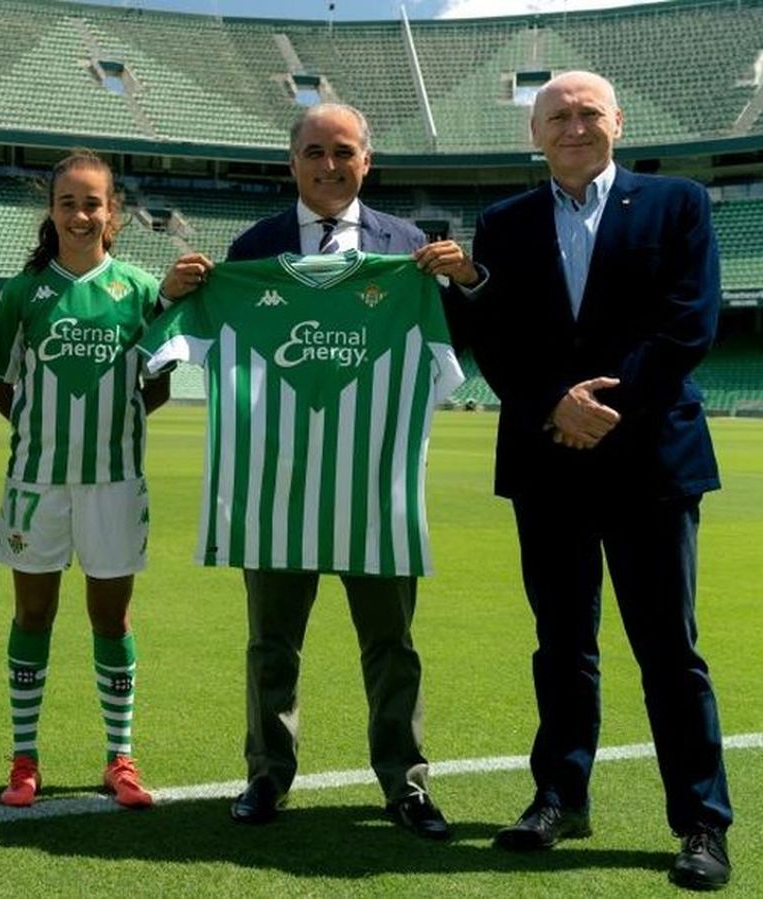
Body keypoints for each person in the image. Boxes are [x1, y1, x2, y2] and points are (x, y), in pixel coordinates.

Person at [443, 71, 732, 891]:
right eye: (557, 116)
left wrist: (605, 407)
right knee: (562, 643)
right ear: (534, 135)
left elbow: (691, 320)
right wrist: (553, 406)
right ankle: (560, 797)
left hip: (650, 458)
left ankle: (702, 820)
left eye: (588, 113)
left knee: (668, 648)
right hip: (547, 459)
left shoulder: (677, 203)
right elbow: (496, 338)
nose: (574, 126)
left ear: (618, 123)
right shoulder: (504, 222)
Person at [159, 103, 469, 839]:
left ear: (367, 160)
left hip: (376, 484)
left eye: (343, 151)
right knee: (272, 644)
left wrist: (464, 277)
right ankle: (267, 776)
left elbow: (452, 345)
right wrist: (177, 293)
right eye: (314, 152)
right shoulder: (253, 246)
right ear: (291, 162)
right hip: (275, 484)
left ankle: (406, 783)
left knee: (391, 646)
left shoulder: (410, 247)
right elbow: (193, 339)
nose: (329, 166)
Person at [0, 151, 169, 810]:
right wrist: (49, 434)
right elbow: (1, 389)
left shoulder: (140, 291)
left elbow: (156, 385)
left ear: (112, 211)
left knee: (111, 618)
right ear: (52, 210)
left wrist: (109, 430)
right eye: (69, 203)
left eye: (93, 203)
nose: (80, 215)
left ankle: (120, 756)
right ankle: (24, 759)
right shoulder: (23, 292)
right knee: (33, 614)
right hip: (37, 484)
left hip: (115, 483)